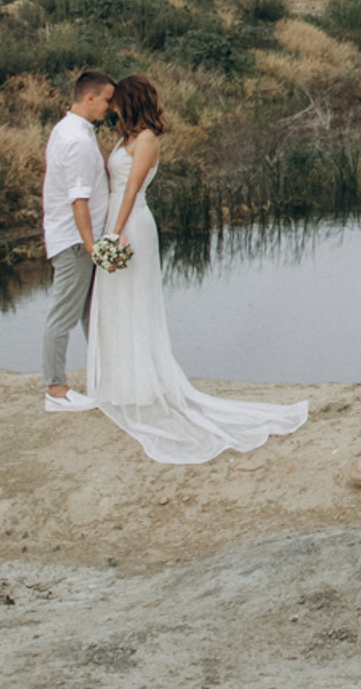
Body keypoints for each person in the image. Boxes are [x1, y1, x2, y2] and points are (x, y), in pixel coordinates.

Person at [72, 74, 310, 465]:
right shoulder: (124, 138)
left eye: (117, 101)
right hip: (113, 221)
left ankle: (145, 384)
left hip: (131, 225)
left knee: (136, 301)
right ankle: (122, 383)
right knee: (113, 302)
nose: (111, 106)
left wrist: (114, 235)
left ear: (130, 102)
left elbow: (131, 190)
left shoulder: (146, 139)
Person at [40, 68, 116, 407]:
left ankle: (103, 380)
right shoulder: (77, 140)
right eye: (107, 100)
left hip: (73, 238)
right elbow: (78, 200)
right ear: (90, 97)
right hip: (74, 241)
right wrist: (92, 247)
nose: (110, 108)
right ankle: (55, 389)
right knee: (64, 314)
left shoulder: (69, 130)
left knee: (89, 313)